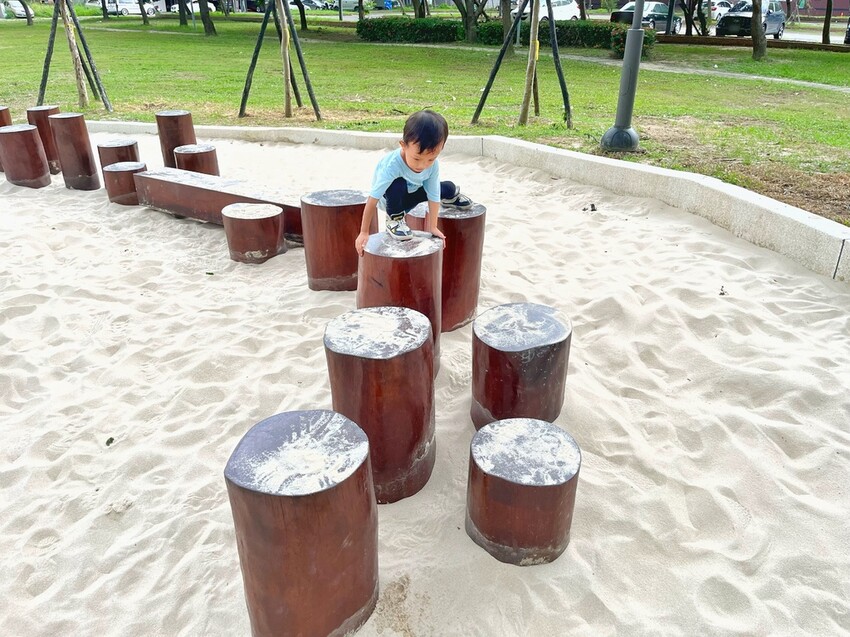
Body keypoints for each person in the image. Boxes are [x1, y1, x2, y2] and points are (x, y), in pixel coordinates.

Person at [354, 110, 473, 256]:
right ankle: (395, 219)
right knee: (397, 184)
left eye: (430, 159)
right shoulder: (392, 165)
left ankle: (451, 197)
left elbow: (433, 194)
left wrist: (433, 226)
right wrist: (364, 232)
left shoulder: (432, 166)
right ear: (403, 145)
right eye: (417, 158)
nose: (422, 165)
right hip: (390, 199)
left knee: (447, 188)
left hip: (412, 194)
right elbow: (373, 200)